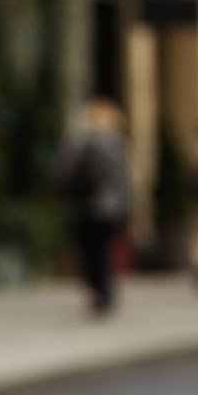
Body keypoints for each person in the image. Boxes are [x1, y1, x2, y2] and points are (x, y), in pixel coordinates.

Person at [54, 97, 131, 312]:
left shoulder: (86, 142)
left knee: (91, 251)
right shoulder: (119, 143)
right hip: (114, 207)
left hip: (92, 205)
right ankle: (105, 290)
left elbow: (67, 170)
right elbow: (125, 180)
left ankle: (100, 291)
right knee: (103, 250)